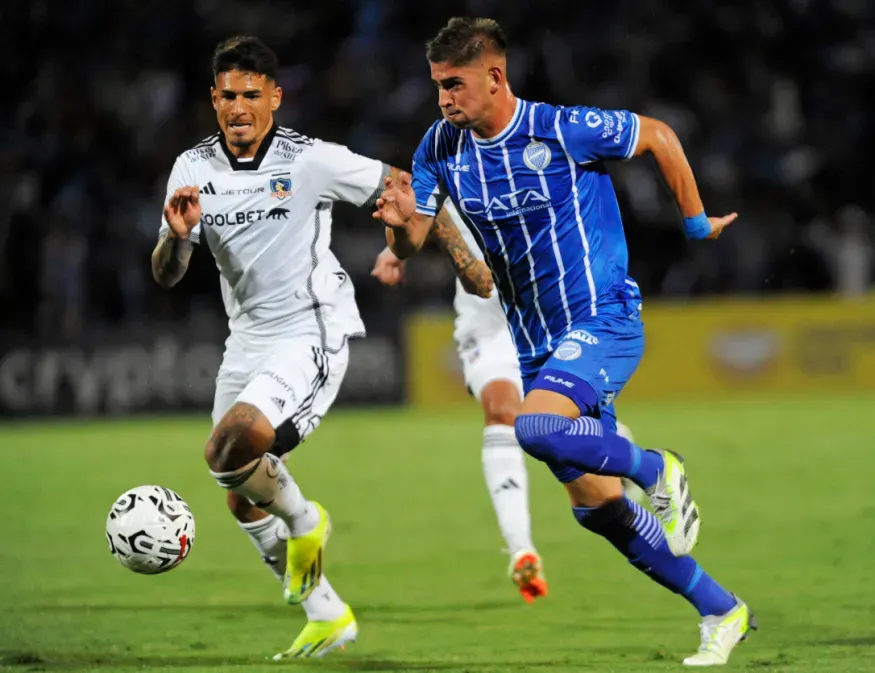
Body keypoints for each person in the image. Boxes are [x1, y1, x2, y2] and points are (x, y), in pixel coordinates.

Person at [372, 18, 755, 666]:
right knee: (599, 511)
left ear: (495, 77)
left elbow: (658, 135)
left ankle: (656, 467)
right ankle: (722, 609)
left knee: (533, 428)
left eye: (455, 84)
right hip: (535, 345)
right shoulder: (440, 146)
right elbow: (416, 233)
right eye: (438, 85)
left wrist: (693, 222)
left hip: (602, 319)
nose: (443, 99)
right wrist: (396, 229)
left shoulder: (559, 128)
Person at [152, 35, 488, 660]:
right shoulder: (191, 169)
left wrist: (462, 260)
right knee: (238, 488)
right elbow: (167, 273)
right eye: (228, 95)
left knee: (232, 446)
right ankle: (326, 612)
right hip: (246, 337)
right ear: (213, 100)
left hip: (311, 328)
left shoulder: (310, 160)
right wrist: (177, 237)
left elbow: (409, 186)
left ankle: (307, 521)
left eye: (252, 94)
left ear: (274, 98)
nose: (239, 107)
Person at [372, 200, 639, 603]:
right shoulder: (446, 153)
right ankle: (521, 549)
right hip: (487, 322)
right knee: (501, 411)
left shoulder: (543, 150)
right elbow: (420, 212)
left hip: (551, 314)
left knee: (559, 424)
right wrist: (392, 249)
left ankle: (622, 450)